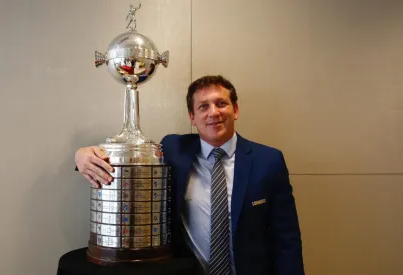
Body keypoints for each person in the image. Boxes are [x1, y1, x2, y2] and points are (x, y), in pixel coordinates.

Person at [75, 75, 305, 275]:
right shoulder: (175, 149)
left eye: (221, 103)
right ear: (192, 118)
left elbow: (287, 238)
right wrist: (82, 155)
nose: (213, 112)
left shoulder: (268, 161)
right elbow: (132, 158)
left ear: (235, 110)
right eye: (203, 106)